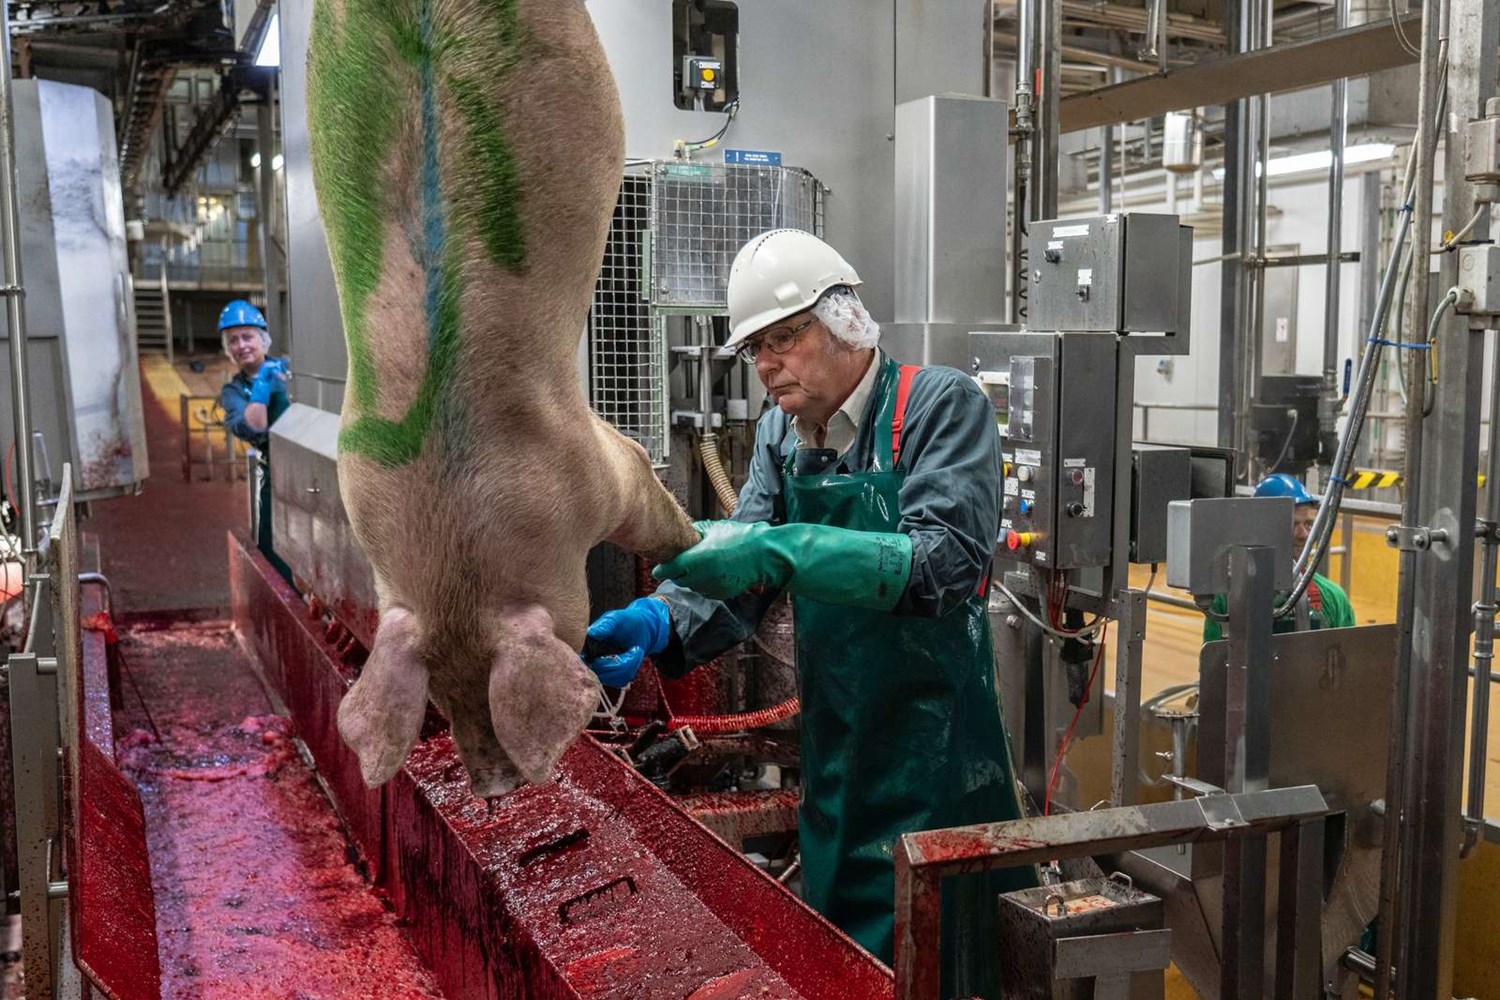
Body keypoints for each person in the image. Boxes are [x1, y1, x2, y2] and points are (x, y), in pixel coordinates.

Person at [582, 230, 1033, 996]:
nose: (766, 366)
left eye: (783, 340)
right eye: (755, 349)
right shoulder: (779, 439)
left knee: (946, 964)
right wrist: (661, 618)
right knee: (841, 961)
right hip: (838, 759)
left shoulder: (938, 407)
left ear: (844, 321)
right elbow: (745, 578)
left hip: (941, 757)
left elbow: (942, 565)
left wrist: (779, 549)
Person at [1201, 472, 1356, 641]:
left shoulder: (1334, 597)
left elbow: (1346, 660)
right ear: (1260, 529)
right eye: (1293, 524)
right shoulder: (1227, 599)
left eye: (1308, 524)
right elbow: (1215, 661)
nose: (1304, 534)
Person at [218, 300, 291, 576]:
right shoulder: (233, 392)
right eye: (233, 340)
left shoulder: (290, 368)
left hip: (308, 466)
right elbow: (255, 427)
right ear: (229, 350)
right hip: (272, 474)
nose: (242, 345)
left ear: (263, 340)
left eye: (247, 336)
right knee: (274, 548)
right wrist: (261, 388)